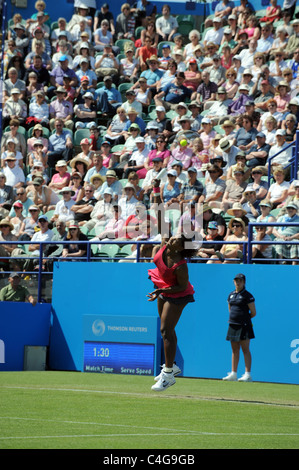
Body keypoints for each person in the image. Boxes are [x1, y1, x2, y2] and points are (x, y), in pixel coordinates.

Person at [148, 233, 196, 391]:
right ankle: (172, 366)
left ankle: (168, 375)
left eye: (175, 240)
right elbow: (161, 222)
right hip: (162, 288)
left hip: (178, 293)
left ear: (180, 247)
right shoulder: (165, 245)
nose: (171, 240)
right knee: (166, 331)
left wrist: (161, 289)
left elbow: (182, 287)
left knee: (166, 330)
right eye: (172, 237)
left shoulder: (181, 266)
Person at [223, 273, 256, 382]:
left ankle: (247, 374)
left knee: (245, 350)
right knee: (234, 350)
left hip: (244, 325)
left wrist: (244, 319)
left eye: (240, 281)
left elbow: (253, 312)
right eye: (236, 280)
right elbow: (230, 310)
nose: (238, 282)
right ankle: (233, 373)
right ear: (234, 282)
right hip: (233, 325)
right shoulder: (231, 295)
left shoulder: (248, 295)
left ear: (244, 282)